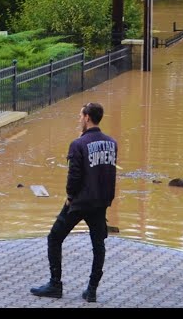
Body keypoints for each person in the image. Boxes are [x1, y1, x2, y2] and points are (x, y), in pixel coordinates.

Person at [31, 102, 118, 303]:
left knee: (54, 238)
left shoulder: (78, 144)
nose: (79, 119)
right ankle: (92, 290)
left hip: (79, 203)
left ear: (87, 117)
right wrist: (107, 199)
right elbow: (109, 173)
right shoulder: (111, 143)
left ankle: (55, 284)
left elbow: (74, 176)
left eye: (80, 116)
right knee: (98, 245)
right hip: (100, 202)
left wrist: (70, 196)